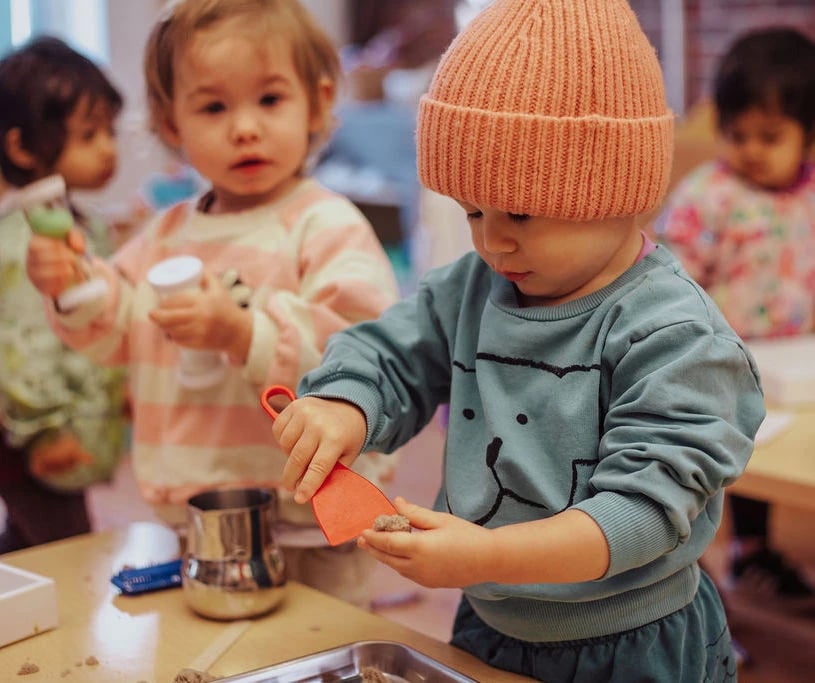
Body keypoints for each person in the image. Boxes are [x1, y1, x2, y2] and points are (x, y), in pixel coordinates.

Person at [269, 1, 766, 680]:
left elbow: (643, 513)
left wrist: (486, 556)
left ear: (614, 190)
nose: (491, 240)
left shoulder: (675, 335)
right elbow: (389, 353)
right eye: (473, 210)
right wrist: (345, 404)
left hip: (634, 642)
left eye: (522, 213)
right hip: (491, 622)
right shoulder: (473, 286)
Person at [25, 0, 400, 608]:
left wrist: (240, 334)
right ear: (173, 125)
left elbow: (361, 357)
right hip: (198, 509)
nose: (244, 127)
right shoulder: (165, 235)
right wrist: (69, 283)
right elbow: (113, 326)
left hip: (310, 513)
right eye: (214, 106)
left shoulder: (327, 224)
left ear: (319, 101)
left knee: (317, 645)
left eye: (270, 100)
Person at [655, 27, 815, 599]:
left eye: (769, 136)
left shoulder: (808, 194)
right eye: (736, 133)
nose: (750, 149)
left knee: (786, 461)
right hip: (723, 357)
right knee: (725, 466)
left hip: (796, 363)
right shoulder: (710, 195)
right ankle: (707, 567)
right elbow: (673, 273)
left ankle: (755, 552)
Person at [0, 36, 129, 553]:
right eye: (88, 134)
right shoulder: (26, 243)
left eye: (110, 132)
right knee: (68, 556)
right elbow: (19, 346)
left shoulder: (84, 226)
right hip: (34, 442)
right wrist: (46, 429)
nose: (109, 149)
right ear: (23, 147)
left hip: (73, 429)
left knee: (27, 545)